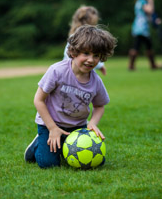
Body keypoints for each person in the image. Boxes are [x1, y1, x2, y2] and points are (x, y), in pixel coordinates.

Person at [24, 25, 117, 168]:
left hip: (78, 128)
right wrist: (52, 128)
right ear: (73, 52)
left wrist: (92, 123)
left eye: (96, 55)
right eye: (86, 53)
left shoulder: (96, 81)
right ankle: (38, 144)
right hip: (50, 124)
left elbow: (99, 105)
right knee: (48, 164)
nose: (91, 60)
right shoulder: (57, 71)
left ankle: (61, 145)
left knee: (96, 162)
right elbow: (39, 100)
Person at [63, 5, 107, 75]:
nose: (95, 26)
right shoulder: (75, 37)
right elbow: (67, 53)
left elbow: (95, 52)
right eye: (93, 23)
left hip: (85, 72)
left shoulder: (91, 38)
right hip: (71, 71)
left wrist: (100, 66)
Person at [128, 0, 158, 70]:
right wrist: (151, 0)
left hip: (139, 26)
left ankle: (152, 64)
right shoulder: (143, 1)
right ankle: (152, 65)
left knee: (146, 45)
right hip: (142, 27)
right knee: (139, 46)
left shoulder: (139, 1)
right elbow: (150, 10)